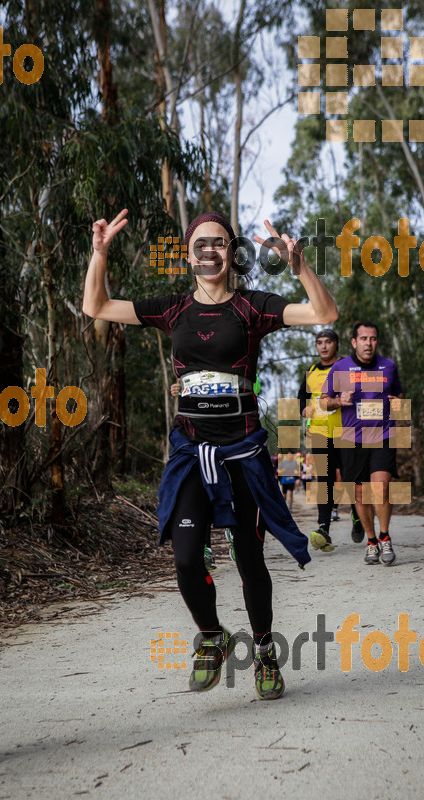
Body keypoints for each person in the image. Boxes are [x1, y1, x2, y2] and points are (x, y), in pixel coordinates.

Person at [83, 209, 338, 700]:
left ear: (232, 251)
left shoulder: (252, 308)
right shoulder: (173, 309)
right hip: (191, 452)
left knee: (249, 560)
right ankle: (212, 636)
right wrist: (99, 252)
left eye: (219, 243)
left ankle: (265, 651)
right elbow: (96, 305)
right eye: (200, 244)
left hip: (242, 454)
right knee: (183, 557)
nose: (210, 252)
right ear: (188, 254)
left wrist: (300, 265)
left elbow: (324, 314)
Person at [322, 322, 403, 566]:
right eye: (364, 338)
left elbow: (399, 396)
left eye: (373, 338)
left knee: (381, 487)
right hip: (351, 439)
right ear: (354, 342)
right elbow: (323, 403)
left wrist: (397, 402)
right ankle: (371, 541)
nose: (369, 343)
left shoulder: (389, 366)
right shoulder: (340, 367)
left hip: (382, 435)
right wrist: (338, 401)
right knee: (359, 493)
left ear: (377, 342)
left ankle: (385, 536)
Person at [298, 329, 364, 552]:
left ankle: (357, 516)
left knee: (349, 479)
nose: (323, 346)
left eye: (328, 342)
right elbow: (301, 399)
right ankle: (324, 528)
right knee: (324, 481)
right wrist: (304, 409)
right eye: (319, 343)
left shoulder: (348, 367)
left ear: (336, 344)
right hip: (319, 433)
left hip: (345, 431)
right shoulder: (311, 372)